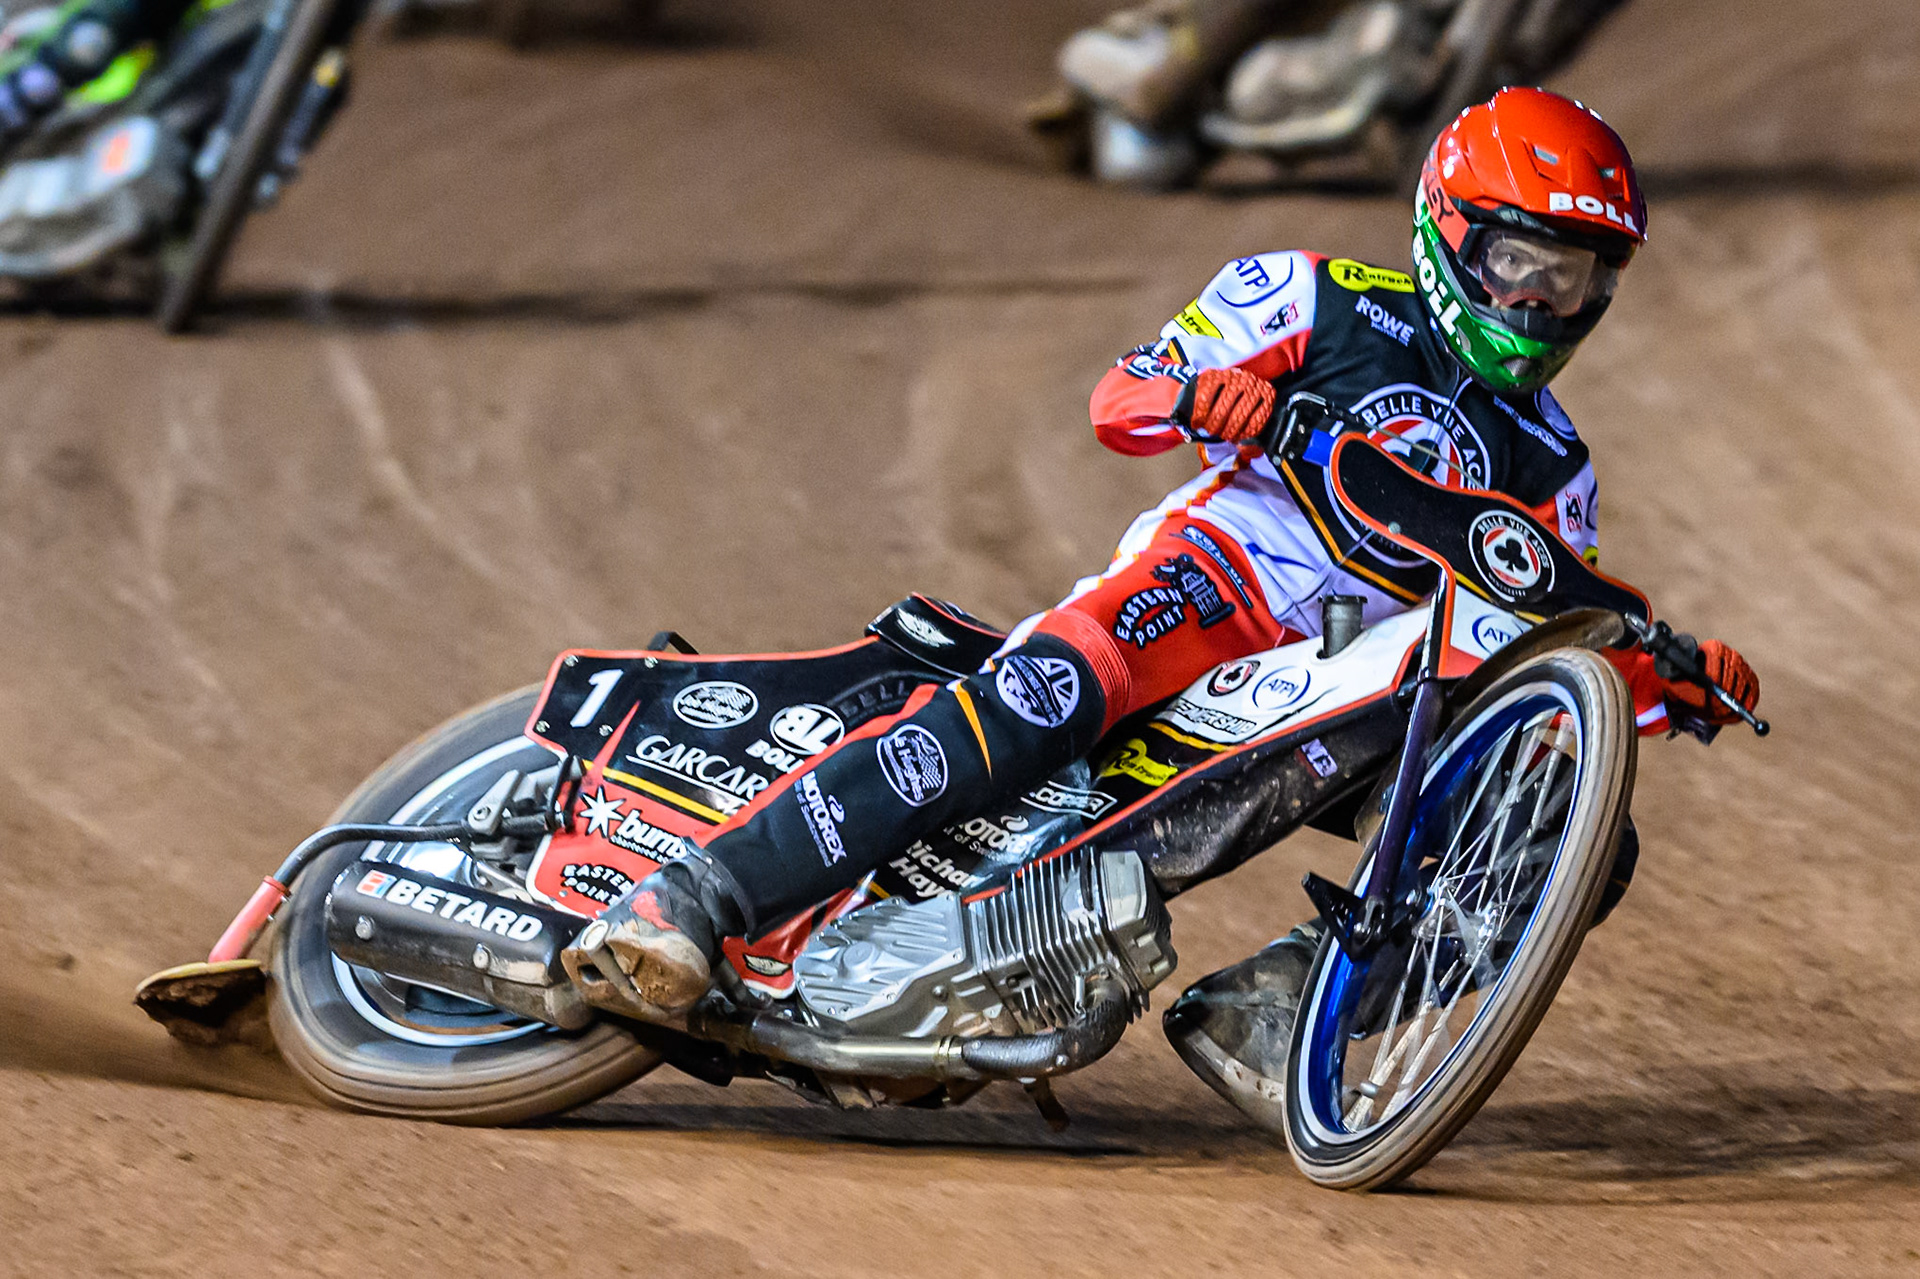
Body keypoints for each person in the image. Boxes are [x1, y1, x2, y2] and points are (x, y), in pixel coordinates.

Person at [591, 88, 1759, 1097]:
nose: (1542, 306)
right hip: (1211, 580)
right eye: (1520, 265)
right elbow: (1120, 397)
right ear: (1450, 228)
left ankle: (1282, 1020)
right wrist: (1207, 396)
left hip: (1353, 673)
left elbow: (1545, 641)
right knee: (1048, 696)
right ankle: (693, 896)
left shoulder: (1559, 466)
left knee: (1567, 833)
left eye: (1577, 280)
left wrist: (1670, 674)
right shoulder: (1314, 295)